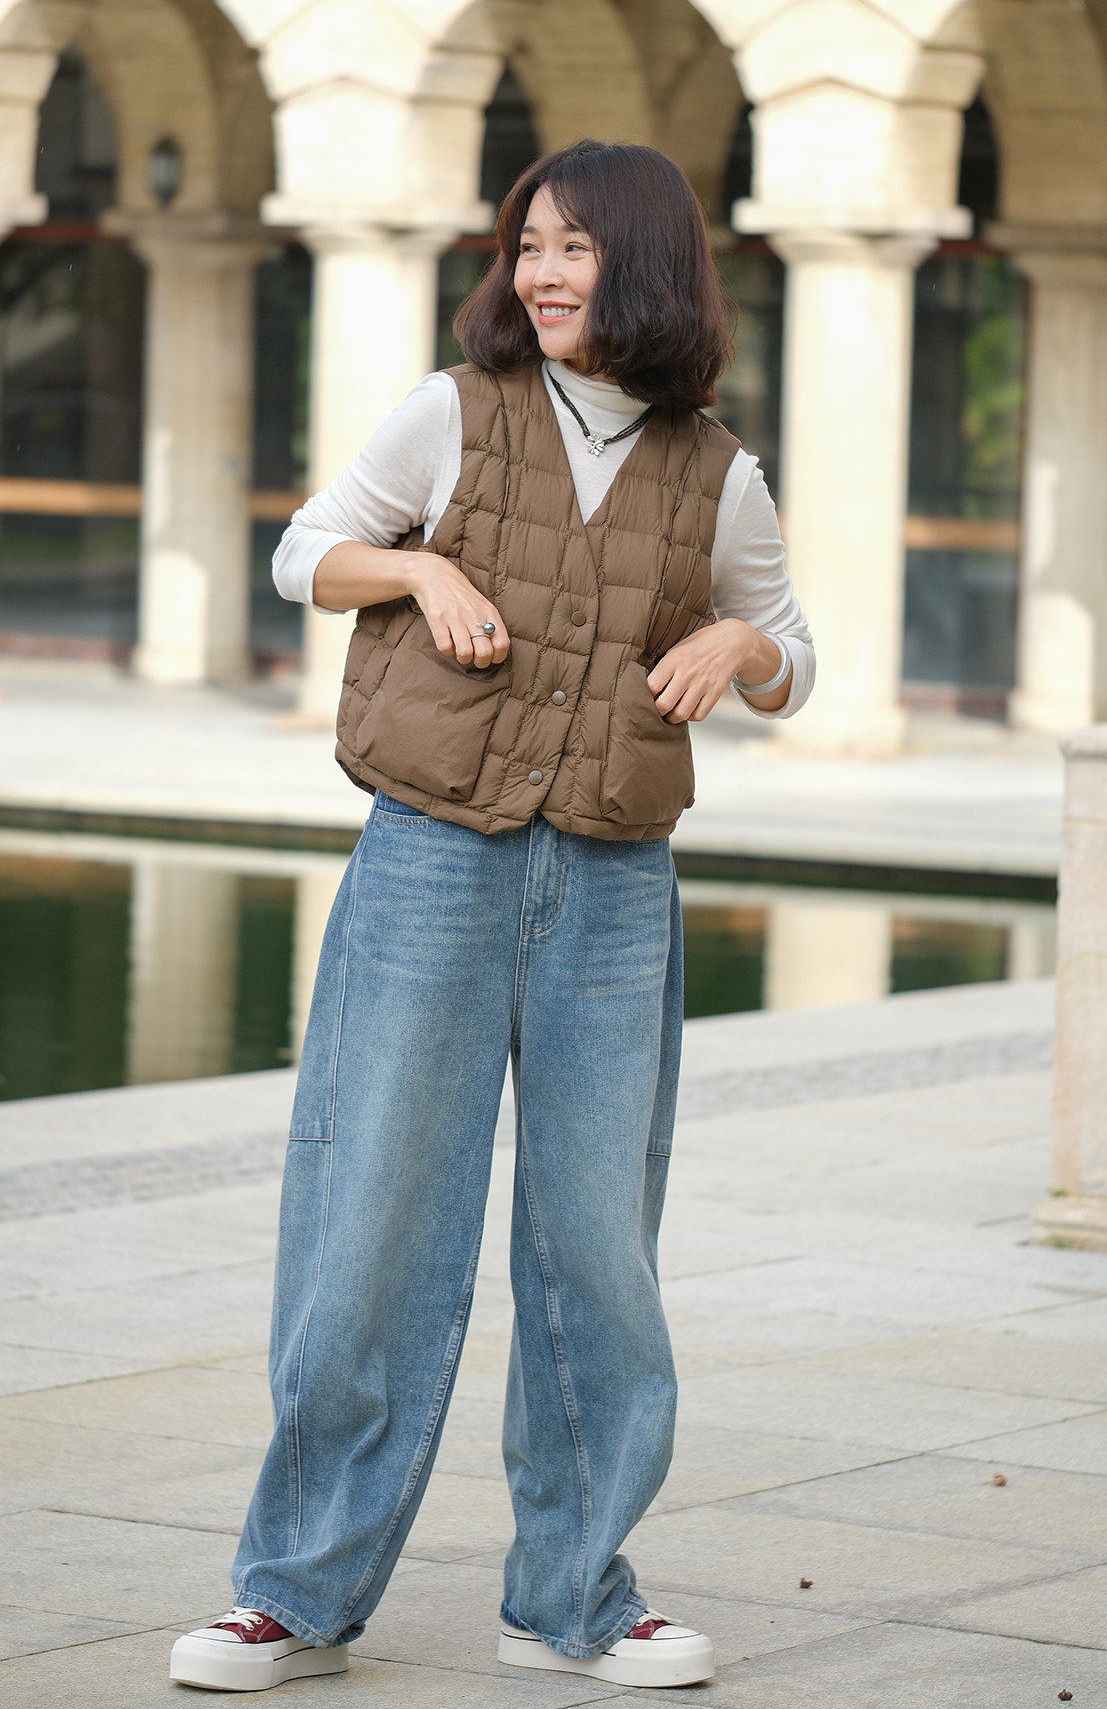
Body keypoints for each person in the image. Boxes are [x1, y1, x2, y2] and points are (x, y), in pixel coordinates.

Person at [169, 139, 814, 1695]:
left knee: (597, 1249)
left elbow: (794, 653)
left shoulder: (721, 472)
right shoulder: (449, 414)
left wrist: (738, 648)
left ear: (644, 263)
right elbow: (303, 551)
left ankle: (574, 1600)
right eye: (529, 244)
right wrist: (412, 576)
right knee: (371, 1223)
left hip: (613, 886)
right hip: (430, 863)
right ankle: (293, 1596)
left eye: (574, 246)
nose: (540, 272)